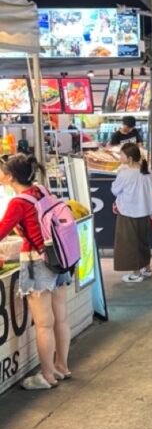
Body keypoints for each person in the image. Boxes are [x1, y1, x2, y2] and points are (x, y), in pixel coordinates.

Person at [0, 154, 73, 389]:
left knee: (43, 324)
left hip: (37, 261)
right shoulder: (40, 189)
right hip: (59, 256)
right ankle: (61, 366)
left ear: (10, 176)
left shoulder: (18, 202)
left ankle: (47, 376)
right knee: (60, 317)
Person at [112, 143, 152, 284]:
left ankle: (136, 273)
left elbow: (115, 190)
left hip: (128, 211)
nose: (119, 156)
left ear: (129, 158)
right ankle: (146, 268)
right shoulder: (147, 172)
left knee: (129, 243)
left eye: (121, 154)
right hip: (145, 212)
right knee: (143, 241)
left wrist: (120, 172)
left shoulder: (124, 174)